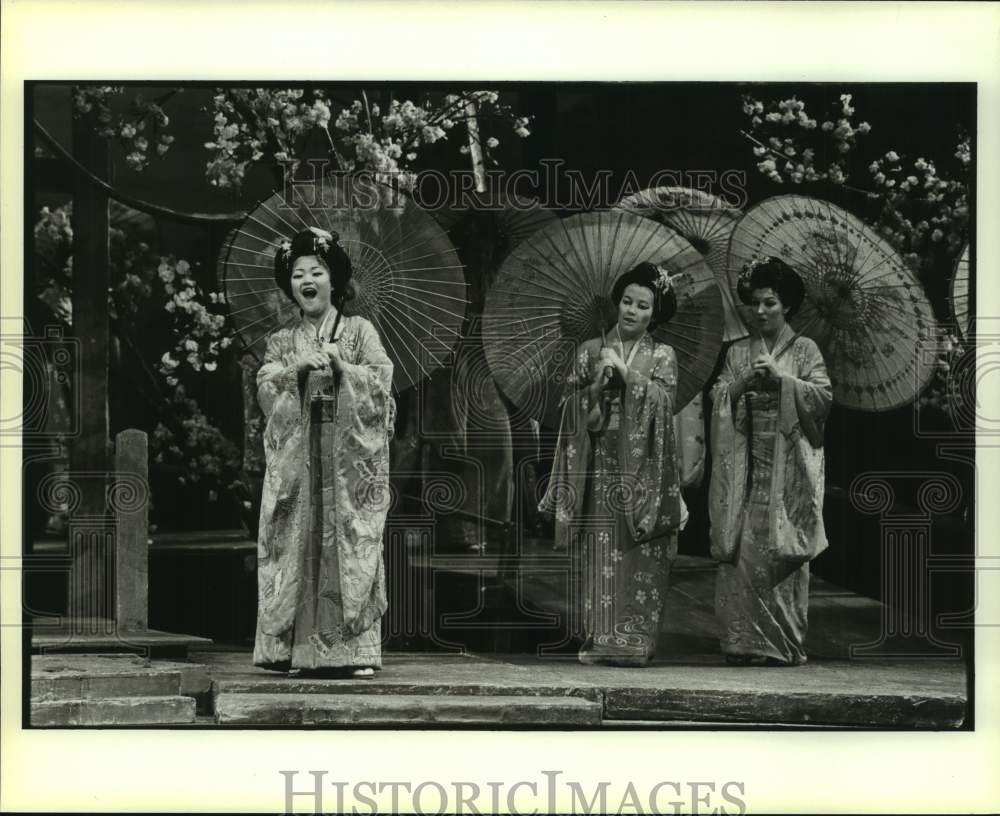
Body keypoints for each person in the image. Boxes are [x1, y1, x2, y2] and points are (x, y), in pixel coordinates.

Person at [253, 227, 394, 676]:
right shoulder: (281, 340)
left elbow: (381, 385)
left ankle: (350, 650)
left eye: (316, 271)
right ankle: (290, 649)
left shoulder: (359, 331)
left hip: (346, 457)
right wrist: (295, 368)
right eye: (297, 274)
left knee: (347, 543)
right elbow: (264, 389)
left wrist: (343, 367)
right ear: (290, 285)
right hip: (300, 456)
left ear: (335, 281)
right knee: (294, 539)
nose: (307, 280)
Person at [540, 262, 683, 666]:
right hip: (599, 462)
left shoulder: (662, 355)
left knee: (638, 551)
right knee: (600, 552)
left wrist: (632, 381)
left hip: (641, 470)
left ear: (655, 314)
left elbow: (666, 405)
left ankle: (635, 642)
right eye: (626, 301)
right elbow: (568, 409)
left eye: (642, 305)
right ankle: (601, 638)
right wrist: (596, 389)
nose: (632, 311)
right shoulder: (589, 350)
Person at [709, 256, 832, 666]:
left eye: (770, 303)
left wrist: (783, 381)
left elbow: (823, 398)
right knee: (742, 551)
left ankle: (780, 643)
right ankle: (741, 642)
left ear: (788, 306)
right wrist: (744, 382)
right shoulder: (738, 351)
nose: (760, 311)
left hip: (786, 467)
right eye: (756, 303)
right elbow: (719, 397)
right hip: (745, 466)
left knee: (780, 555)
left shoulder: (805, 349)